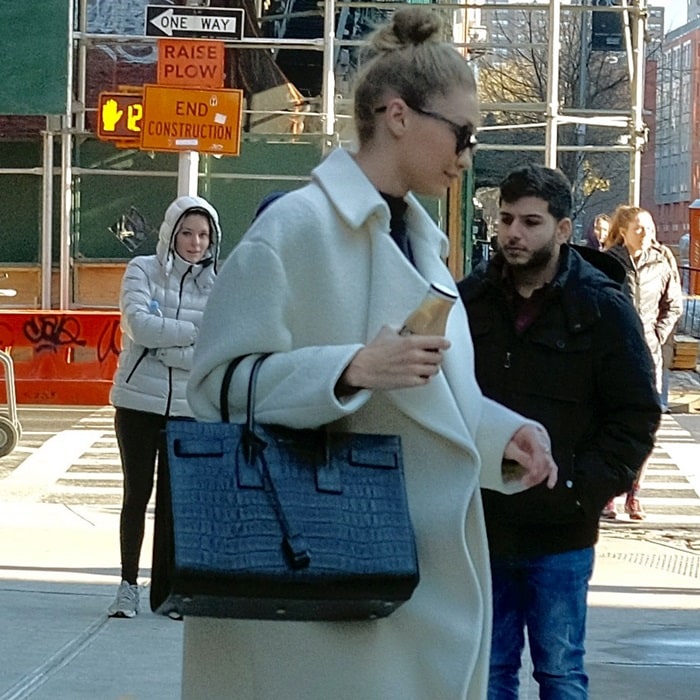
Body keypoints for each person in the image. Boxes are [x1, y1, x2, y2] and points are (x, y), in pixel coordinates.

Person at [183, 8, 557, 700]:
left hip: (398, 580)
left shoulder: (423, 243)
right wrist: (347, 369)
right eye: (462, 133)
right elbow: (214, 387)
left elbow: (428, 403)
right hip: (313, 579)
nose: (467, 155)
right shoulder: (295, 229)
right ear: (397, 114)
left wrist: (508, 437)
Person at [458, 164, 660, 699]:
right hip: (484, 525)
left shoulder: (602, 307)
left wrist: (580, 488)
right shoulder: (470, 301)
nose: (513, 234)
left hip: (562, 532)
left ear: (564, 229)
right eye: (505, 220)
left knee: (561, 673)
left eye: (531, 222)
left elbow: (635, 414)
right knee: (488, 673)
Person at [107, 195, 221, 618]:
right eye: (187, 233)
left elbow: (215, 348)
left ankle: (169, 593)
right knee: (137, 494)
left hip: (188, 408)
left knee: (177, 504)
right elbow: (139, 325)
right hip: (138, 402)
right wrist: (192, 331)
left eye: (203, 235)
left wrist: (169, 349)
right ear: (171, 233)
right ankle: (126, 587)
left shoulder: (217, 283)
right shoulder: (142, 270)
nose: (195, 243)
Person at [601, 205, 683, 519]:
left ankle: (634, 494)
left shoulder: (663, 261)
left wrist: (656, 336)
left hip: (648, 354)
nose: (646, 233)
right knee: (609, 424)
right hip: (612, 353)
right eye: (639, 228)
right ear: (623, 232)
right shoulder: (608, 262)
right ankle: (608, 494)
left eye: (649, 227)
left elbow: (672, 306)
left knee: (645, 427)